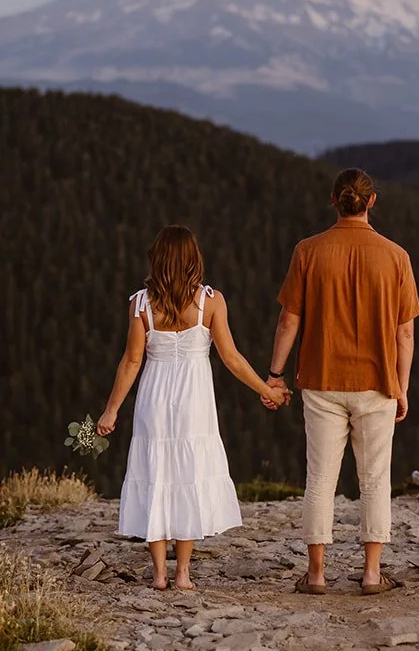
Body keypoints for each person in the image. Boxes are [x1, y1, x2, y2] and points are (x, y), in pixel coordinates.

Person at [97, 225, 287, 591]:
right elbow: (231, 358)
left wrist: (111, 410)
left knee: (156, 474)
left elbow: (132, 362)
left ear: (158, 259)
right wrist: (268, 390)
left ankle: (159, 573)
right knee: (187, 473)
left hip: (154, 397)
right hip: (194, 399)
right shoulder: (211, 301)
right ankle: (183, 572)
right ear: (193, 260)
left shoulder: (140, 304)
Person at [266, 168, 419, 595]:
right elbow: (404, 333)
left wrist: (275, 374)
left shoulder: (308, 251)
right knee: (374, 479)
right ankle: (371, 574)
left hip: (321, 379)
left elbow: (288, 320)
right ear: (372, 202)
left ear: (334, 200)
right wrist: (402, 386)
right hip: (377, 382)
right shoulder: (396, 256)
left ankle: (315, 574)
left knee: (320, 478)